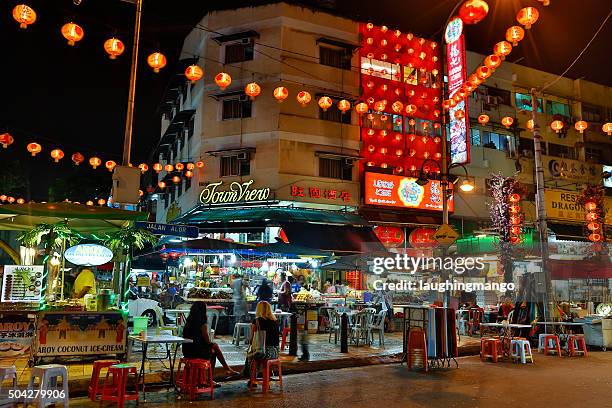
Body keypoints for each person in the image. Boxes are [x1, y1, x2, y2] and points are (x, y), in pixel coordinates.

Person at [182, 302, 239, 385]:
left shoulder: (188, 322)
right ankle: (217, 374)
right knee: (214, 348)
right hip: (196, 353)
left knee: (213, 350)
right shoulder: (202, 324)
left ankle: (225, 370)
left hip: (187, 352)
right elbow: (207, 341)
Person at [243, 301, 280, 382]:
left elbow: (252, 339)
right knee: (258, 353)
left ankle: (252, 379)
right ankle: (267, 376)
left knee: (252, 355)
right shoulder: (275, 321)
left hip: (264, 352)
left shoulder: (257, 321)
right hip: (275, 352)